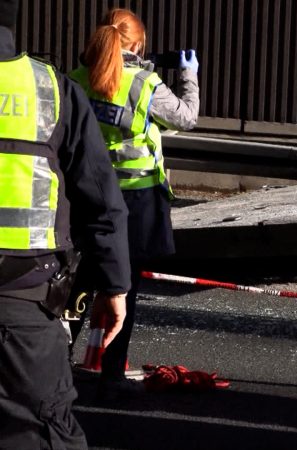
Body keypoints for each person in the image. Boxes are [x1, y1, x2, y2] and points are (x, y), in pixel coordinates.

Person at [0, 0, 131, 447]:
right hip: (25, 308)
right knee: (41, 432)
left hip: (26, 304)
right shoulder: (50, 89)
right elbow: (102, 199)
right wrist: (113, 286)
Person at [66, 8, 200, 394]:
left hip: (86, 197)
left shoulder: (76, 80)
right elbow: (187, 118)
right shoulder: (145, 84)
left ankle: (58, 368)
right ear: (138, 44)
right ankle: (111, 374)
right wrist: (189, 74)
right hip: (136, 202)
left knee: (78, 282)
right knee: (123, 287)